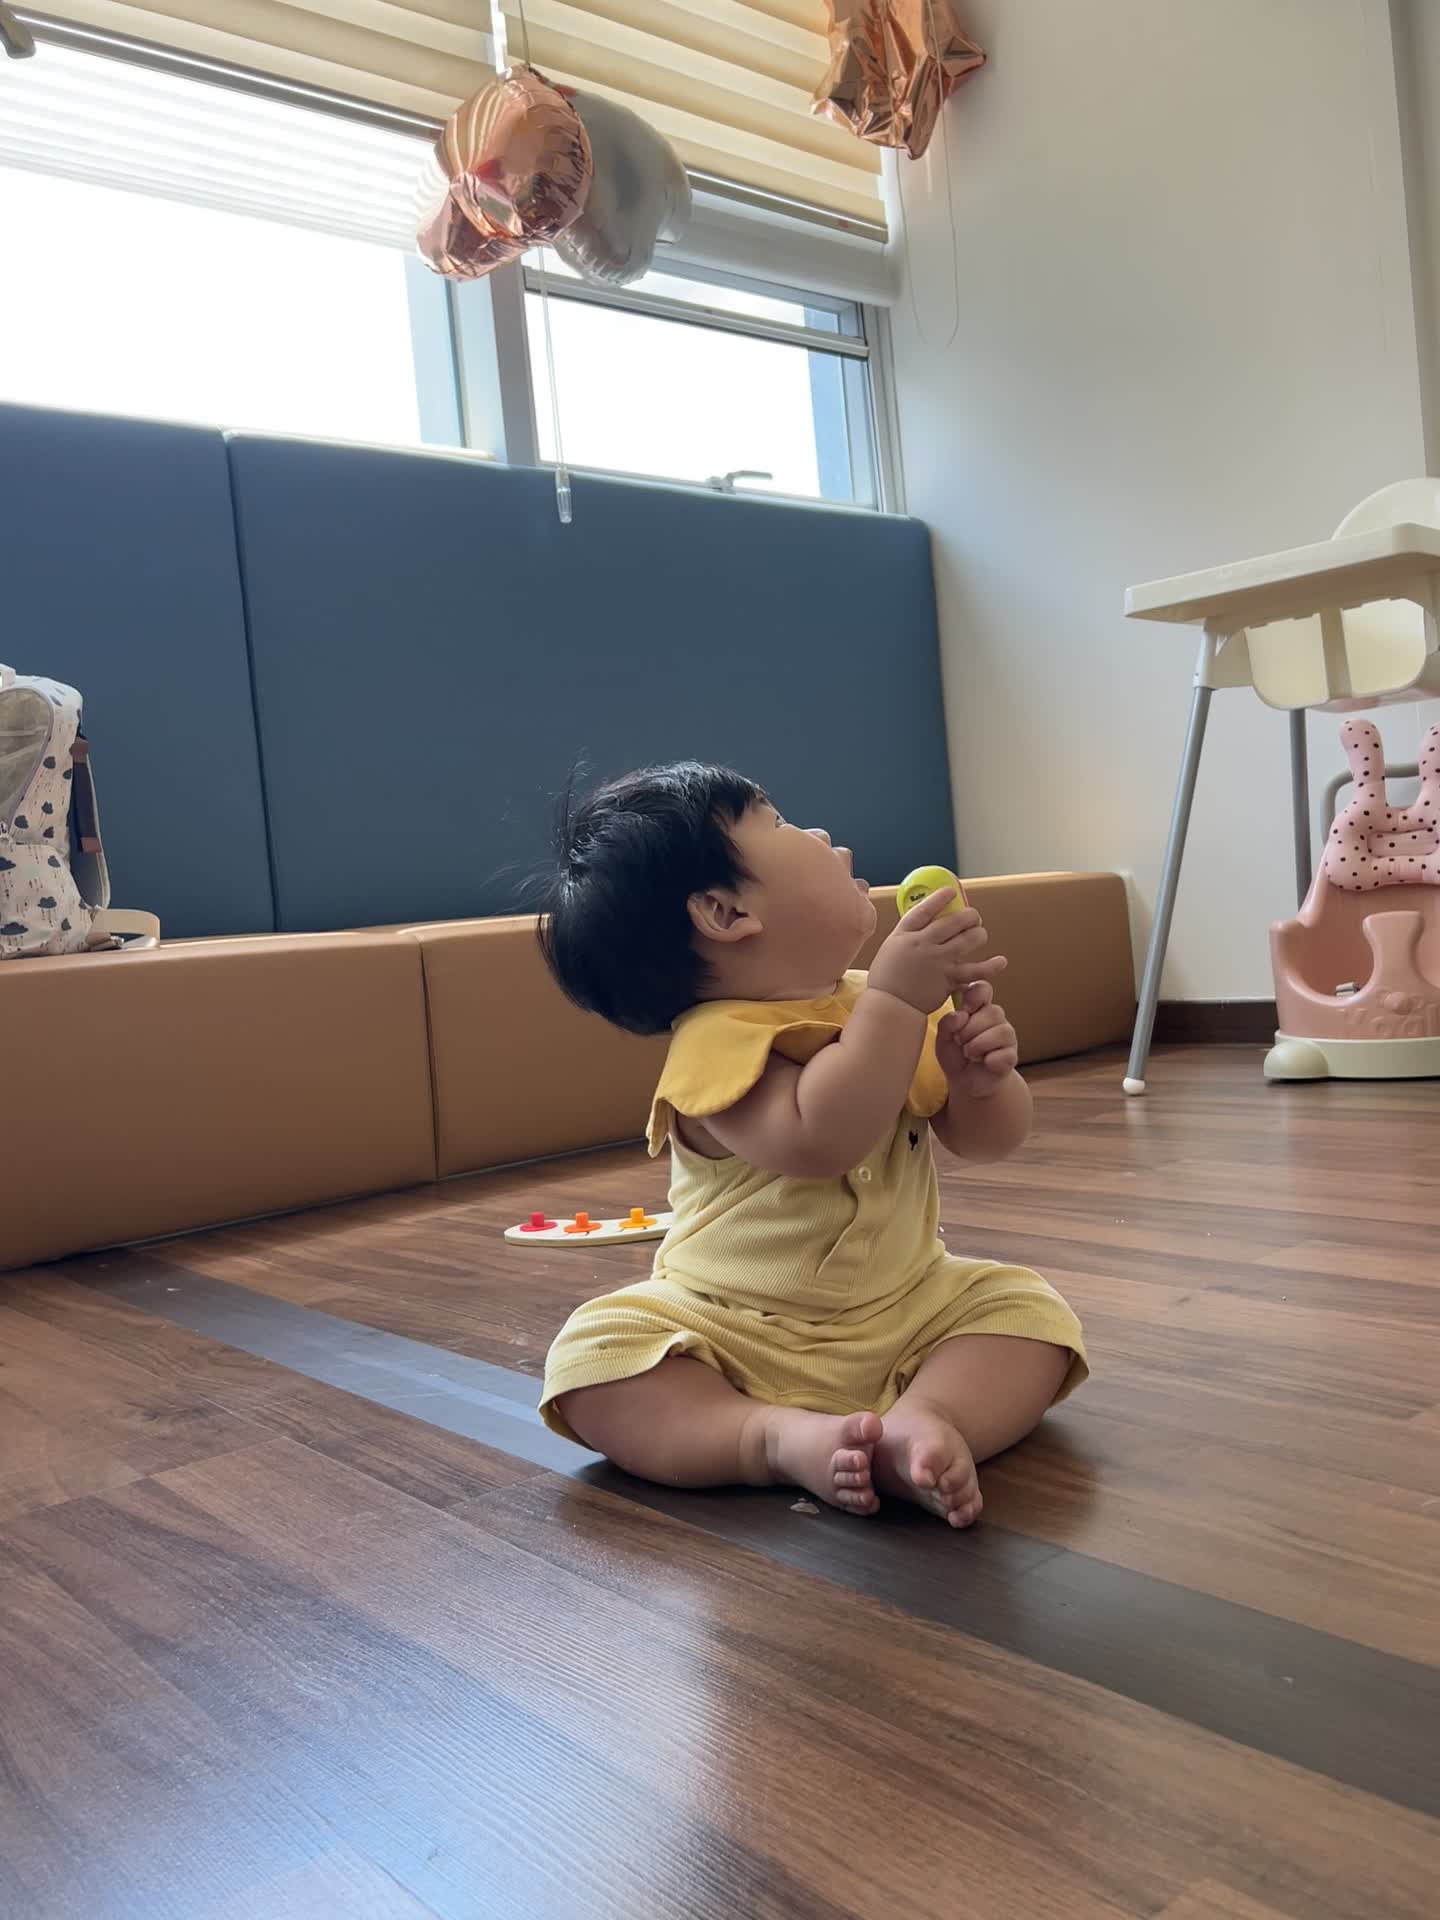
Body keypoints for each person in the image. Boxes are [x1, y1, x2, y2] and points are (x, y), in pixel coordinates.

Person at [535, 763, 1086, 1527]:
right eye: (781, 823)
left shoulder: (881, 1006)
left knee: (1029, 1314)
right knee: (596, 1358)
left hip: (907, 1306)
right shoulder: (714, 1042)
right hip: (731, 1330)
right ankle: (765, 1437)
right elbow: (821, 1137)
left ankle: (926, 1419)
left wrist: (982, 1083)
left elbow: (987, 1142)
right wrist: (897, 1002)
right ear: (725, 911)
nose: (820, 833)